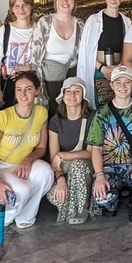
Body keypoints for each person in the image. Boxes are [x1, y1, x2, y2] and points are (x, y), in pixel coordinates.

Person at [0, 70, 54, 229]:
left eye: (28, 89)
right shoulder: (4, 116)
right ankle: (2, 213)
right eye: (19, 89)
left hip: (21, 166)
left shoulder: (41, 112)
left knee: (46, 172)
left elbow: (41, 148)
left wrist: (28, 159)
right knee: (22, 190)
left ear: (37, 90)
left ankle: (26, 214)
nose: (23, 94)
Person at [87, 65, 132, 221]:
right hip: (109, 168)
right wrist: (100, 175)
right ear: (111, 85)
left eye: (127, 82)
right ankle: (112, 203)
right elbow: (96, 148)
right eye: (118, 82)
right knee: (101, 196)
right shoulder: (102, 113)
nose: (122, 87)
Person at [47, 77, 98, 225]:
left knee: (78, 164)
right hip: (64, 171)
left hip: (85, 170)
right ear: (62, 95)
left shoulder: (92, 117)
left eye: (77, 91)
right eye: (68, 91)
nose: (72, 95)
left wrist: (64, 155)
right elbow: (53, 159)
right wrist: (60, 179)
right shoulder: (55, 121)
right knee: (56, 196)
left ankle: (84, 205)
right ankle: (72, 205)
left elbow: (89, 153)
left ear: (83, 95)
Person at [28, 0, 83, 115]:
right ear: (55, 1)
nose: (65, 1)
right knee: (52, 113)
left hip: (72, 75)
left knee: (71, 112)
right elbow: (35, 57)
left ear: (75, 1)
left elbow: (85, 54)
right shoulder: (45, 22)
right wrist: (38, 83)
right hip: (50, 77)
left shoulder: (81, 24)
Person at [77, 0, 132, 107]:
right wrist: (102, 68)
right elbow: (86, 50)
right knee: (99, 105)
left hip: (119, 69)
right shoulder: (94, 20)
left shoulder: (127, 22)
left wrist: (118, 68)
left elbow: (128, 50)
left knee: (118, 104)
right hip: (98, 69)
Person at [0, 0, 36, 111]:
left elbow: (46, 58)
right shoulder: (4, 31)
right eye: (17, 6)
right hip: (9, 83)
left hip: (32, 82)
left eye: (25, 5)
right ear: (12, 10)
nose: (21, 9)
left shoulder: (39, 29)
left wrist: (30, 67)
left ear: (31, 7)